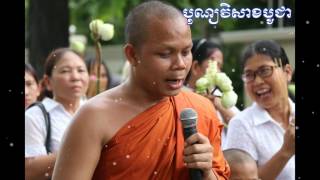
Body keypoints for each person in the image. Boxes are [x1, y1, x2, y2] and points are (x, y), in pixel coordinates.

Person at [52, 1, 230, 180]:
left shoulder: (200, 110)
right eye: (165, 54)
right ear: (132, 54)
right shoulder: (94, 117)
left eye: (186, 52)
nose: (180, 65)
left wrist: (207, 172)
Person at [224, 40, 295, 180]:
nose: (257, 81)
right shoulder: (241, 124)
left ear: (287, 72)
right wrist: (285, 152)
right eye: (249, 75)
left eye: (265, 71)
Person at [25, 48, 89, 180]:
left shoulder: (96, 111)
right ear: (48, 82)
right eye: (65, 71)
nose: (76, 77)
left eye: (81, 70)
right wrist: (75, 150)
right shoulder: (35, 116)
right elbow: (29, 171)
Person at [184, 38, 240, 148]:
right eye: (214, 64)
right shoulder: (181, 94)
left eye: (220, 66)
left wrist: (218, 104)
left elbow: (240, 126)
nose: (218, 71)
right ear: (195, 67)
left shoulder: (219, 95)